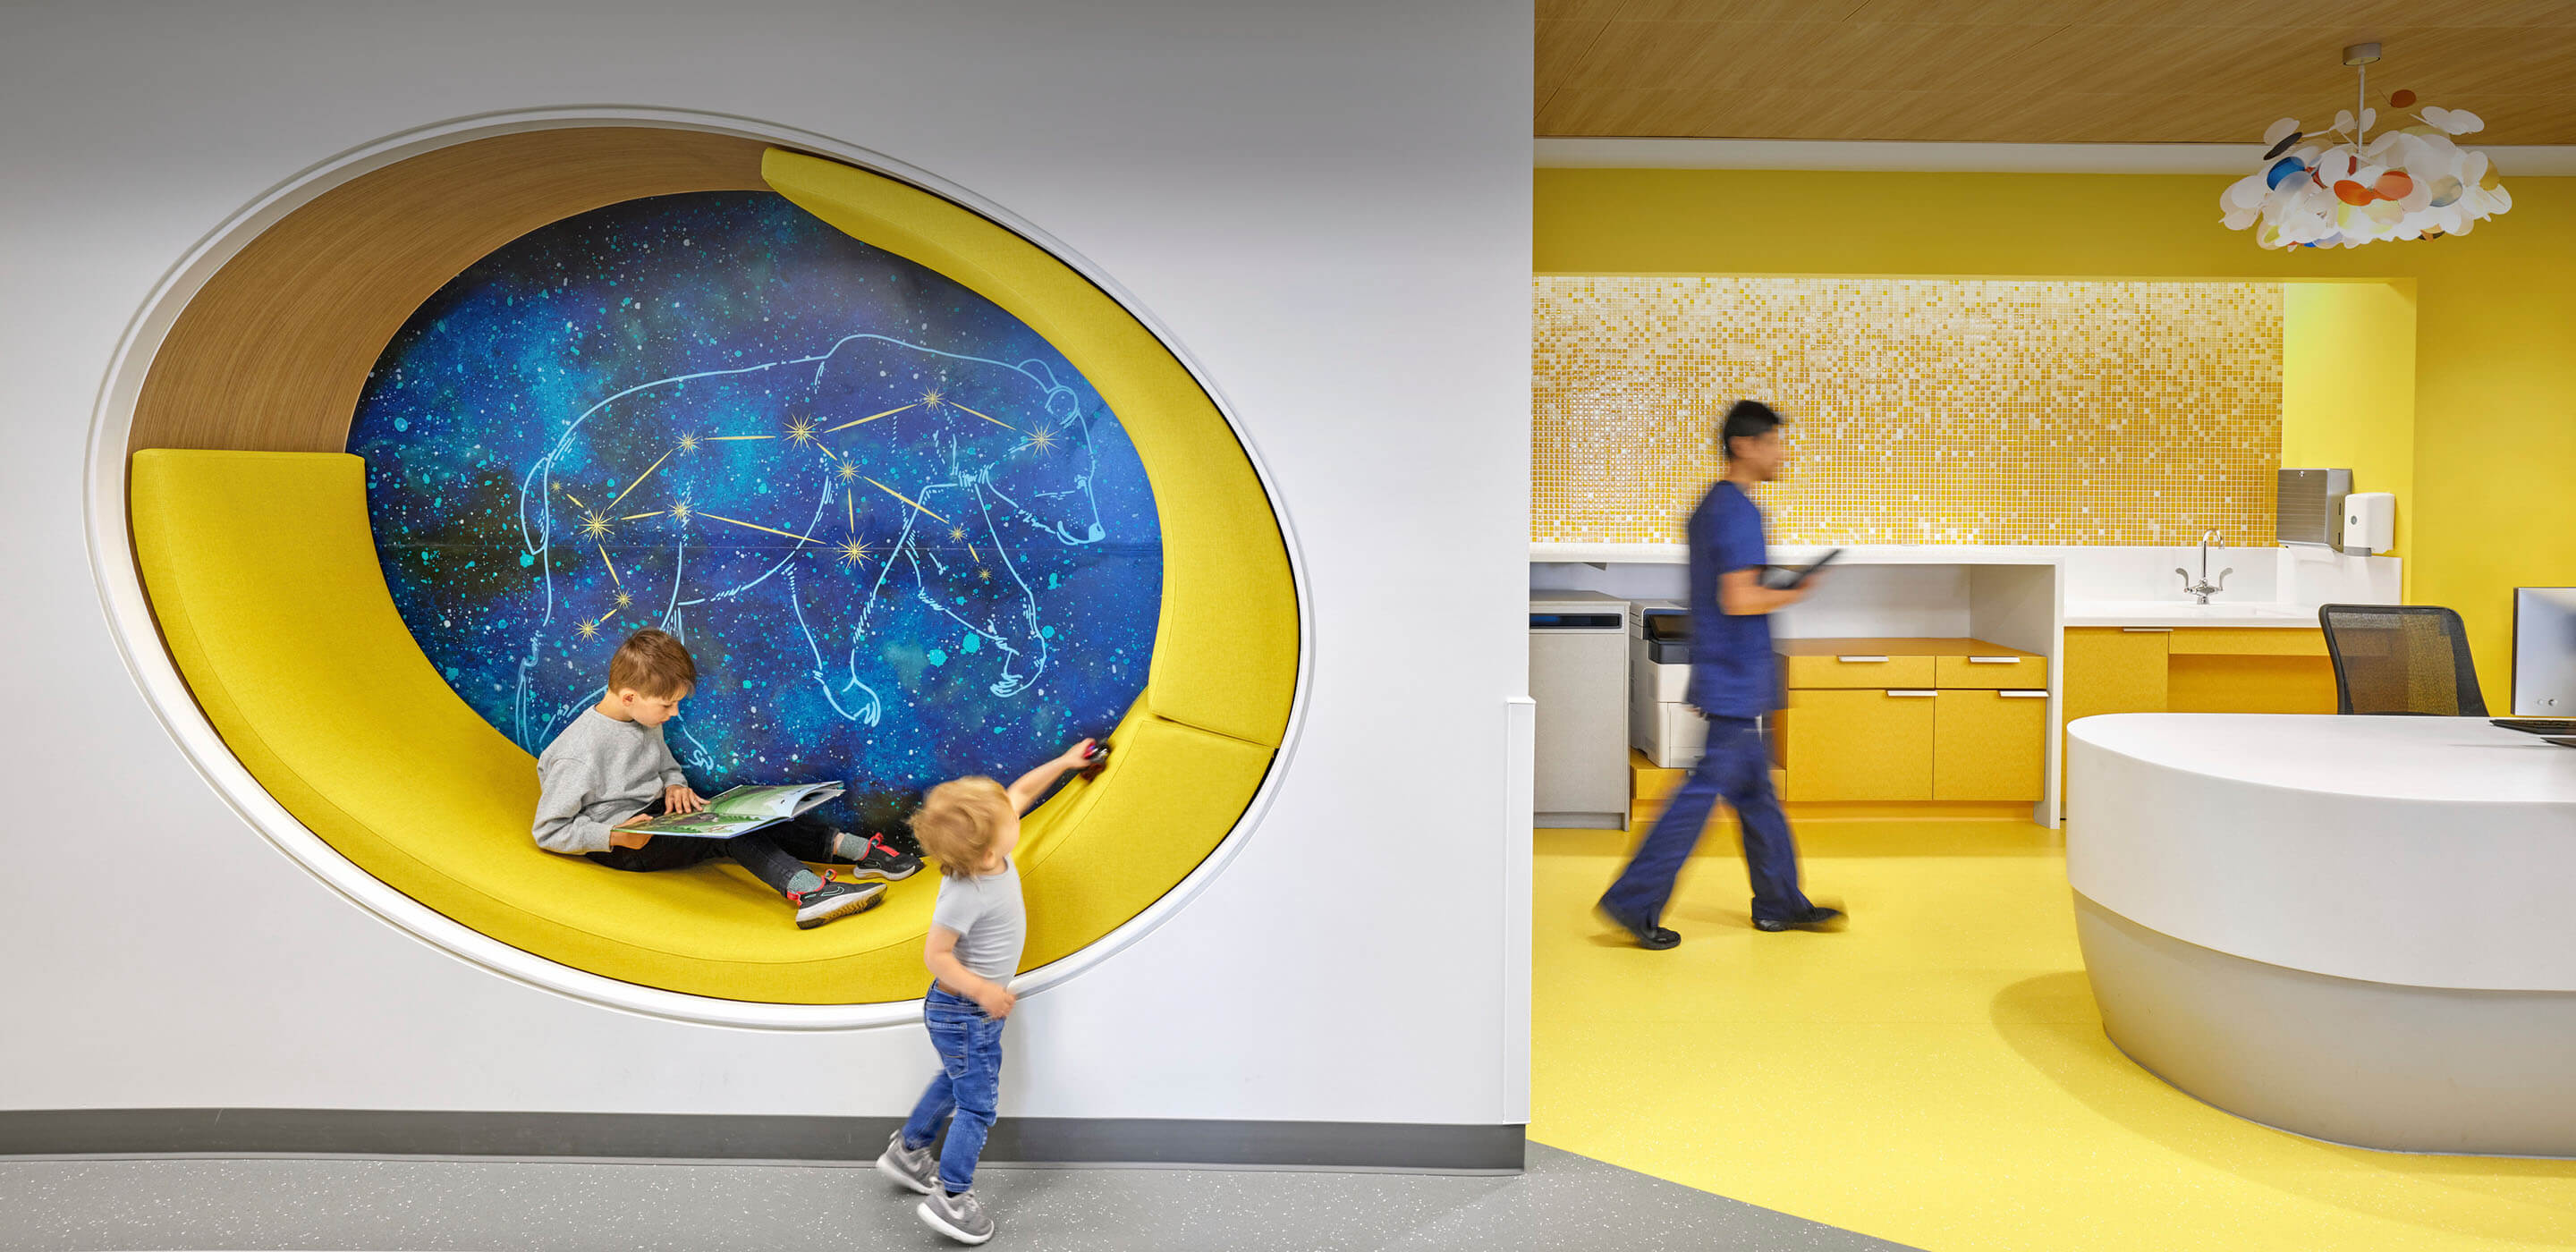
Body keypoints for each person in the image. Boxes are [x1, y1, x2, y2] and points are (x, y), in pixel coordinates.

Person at [1597, 401, 1842, 946]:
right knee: (1702, 793)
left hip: (1730, 670)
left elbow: (1728, 591)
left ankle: (1779, 902)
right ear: (1744, 446)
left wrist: (1775, 585)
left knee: (1754, 794)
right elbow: (1738, 598)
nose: (1781, 453)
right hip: (1734, 674)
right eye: (1773, 442)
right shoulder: (1736, 511)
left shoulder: (1715, 507)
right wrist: (1794, 589)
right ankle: (1633, 901)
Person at [530, 627, 919, 929]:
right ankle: (809, 892)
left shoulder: (640, 717)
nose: (674, 713)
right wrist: (614, 836)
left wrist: (675, 784)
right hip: (628, 843)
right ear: (629, 697)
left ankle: (857, 852)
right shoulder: (578, 753)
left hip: (658, 817)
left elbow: (665, 764)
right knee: (728, 832)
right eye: (668, 705)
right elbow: (548, 830)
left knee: (752, 812)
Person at [876, 738, 1102, 1246]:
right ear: (988, 849)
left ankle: (907, 1152)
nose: (1017, 812)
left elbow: (1020, 791)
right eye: (1009, 820)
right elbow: (936, 956)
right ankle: (952, 1198)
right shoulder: (966, 891)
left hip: (962, 1013)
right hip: (963, 1010)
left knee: (955, 1082)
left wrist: (1066, 763)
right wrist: (983, 991)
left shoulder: (989, 852)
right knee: (978, 1106)